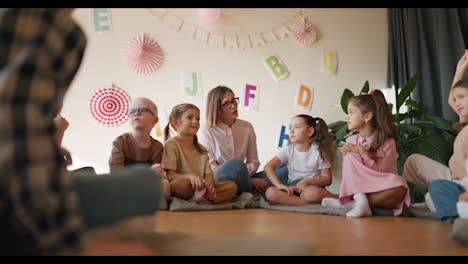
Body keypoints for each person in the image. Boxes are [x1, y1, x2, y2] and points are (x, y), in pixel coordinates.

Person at [0, 8, 159, 255]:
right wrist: (69, 246)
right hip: (20, 206)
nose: (137, 114)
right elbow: (13, 125)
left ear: (155, 119)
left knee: (148, 181)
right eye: (134, 110)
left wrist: (47, 144)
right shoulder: (47, 25)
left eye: (144, 111)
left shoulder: (160, 146)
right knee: (147, 182)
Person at [321, 89, 410, 218]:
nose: (347, 117)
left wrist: (364, 153)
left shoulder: (388, 143)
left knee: (400, 184)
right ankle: (360, 201)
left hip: (379, 187)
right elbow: (351, 174)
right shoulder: (351, 140)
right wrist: (352, 153)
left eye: (351, 112)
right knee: (351, 155)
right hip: (360, 190)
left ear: (367, 116)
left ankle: (352, 204)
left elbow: (379, 173)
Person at [198, 85, 288, 196]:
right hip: (220, 179)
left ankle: (249, 190)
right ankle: (253, 189)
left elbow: (254, 161)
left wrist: (244, 176)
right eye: (227, 103)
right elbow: (211, 168)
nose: (234, 106)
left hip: (244, 176)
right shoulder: (206, 130)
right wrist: (249, 180)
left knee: (286, 166)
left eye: (234, 100)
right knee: (236, 164)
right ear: (216, 108)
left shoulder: (247, 127)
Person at [162, 103, 237, 203]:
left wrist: (209, 184)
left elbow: (208, 174)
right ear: (176, 122)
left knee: (232, 186)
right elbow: (170, 176)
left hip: (202, 186)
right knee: (181, 185)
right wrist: (190, 177)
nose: (195, 121)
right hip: (185, 185)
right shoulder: (171, 144)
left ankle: (202, 196)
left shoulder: (202, 149)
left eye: (197, 119)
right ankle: (205, 198)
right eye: (190, 117)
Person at [427, 50, 468, 221]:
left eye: (461, 97)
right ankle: (460, 216)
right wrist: (460, 70)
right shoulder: (465, 121)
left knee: (435, 194)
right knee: (435, 191)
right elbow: (453, 100)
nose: (456, 102)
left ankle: (458, 219)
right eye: (455, 99)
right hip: (459, 183)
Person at [264, 114, 337, 206]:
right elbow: (268, 166)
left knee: (311, 194)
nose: (292, 131)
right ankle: (307, 204)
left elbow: (327, 179)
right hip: (293, 189)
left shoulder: (319, 151)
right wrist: (279, 185)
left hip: (311, 188)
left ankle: (337, 198)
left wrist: (307, 181)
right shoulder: (288, 150)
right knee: (270, 193)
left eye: (297, 127)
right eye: (290, 128)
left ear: (310, 131)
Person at [109, 97, 171, 202]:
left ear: (155, 120)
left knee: (165, 184)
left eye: (142, 110)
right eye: (132, 111)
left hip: (146, 185)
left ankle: (147, 201)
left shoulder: (157, 147)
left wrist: (158, 172)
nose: (136, 114)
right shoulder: (120, 142)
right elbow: (116, 171)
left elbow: (157, 176)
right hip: (124, 184)